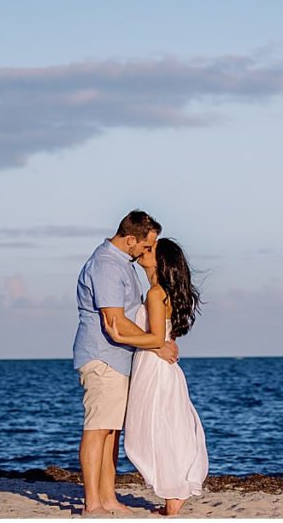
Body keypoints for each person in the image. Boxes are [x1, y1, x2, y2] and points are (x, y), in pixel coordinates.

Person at [73, 210, 179, 515]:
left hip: (119, 360)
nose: (148, 252)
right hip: (103, 357)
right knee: (97, 429)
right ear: (130, 239)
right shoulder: (107, 266)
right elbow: (115, 321)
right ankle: (93, 503)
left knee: (111, 431)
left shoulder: (122, 264)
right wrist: (158, 344)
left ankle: (108, 498)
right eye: (146, 246)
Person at [104, 237, 208, 516]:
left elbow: (154, 338)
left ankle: (172, 498)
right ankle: (171, 498)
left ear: (160, 261)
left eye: (149, 250)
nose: (142, 253)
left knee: (151, 431)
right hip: (159, 367)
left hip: (154, 367)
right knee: (164, 428)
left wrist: (118, 334)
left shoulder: (155, 293)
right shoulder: (159, 292)